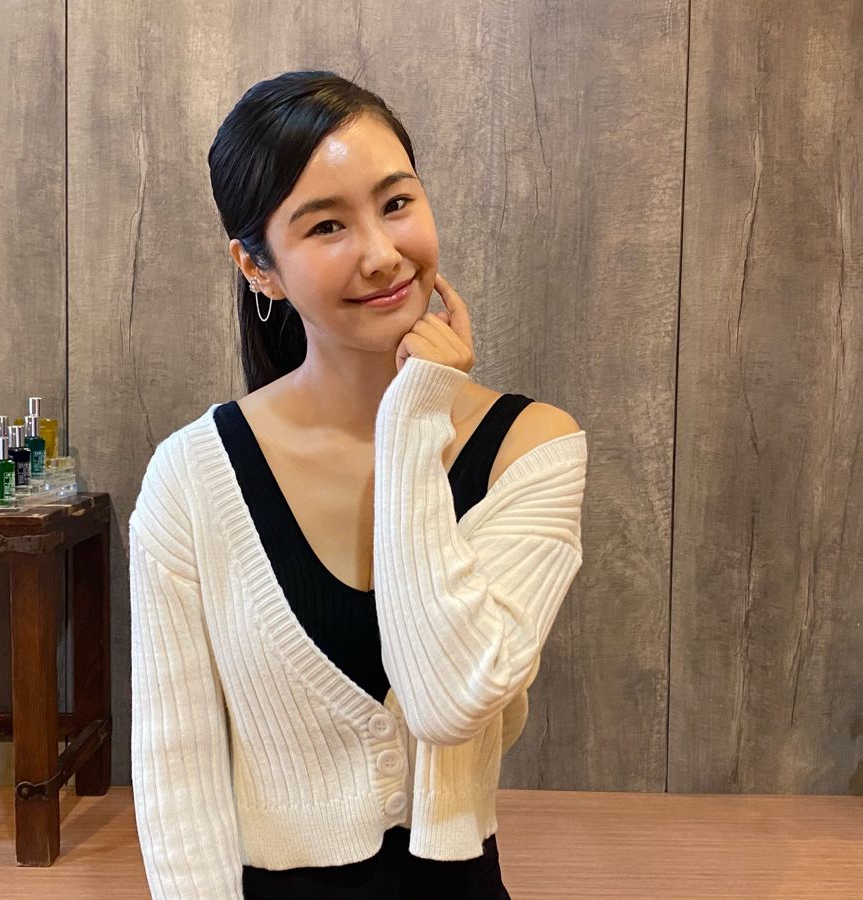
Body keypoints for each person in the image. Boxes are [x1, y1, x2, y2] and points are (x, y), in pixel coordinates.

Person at [129, 70, 589, 899]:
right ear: (258, 267)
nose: (381, 254)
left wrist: (413, 420)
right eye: (327, 225)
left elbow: (449, 698)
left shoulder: (534, 449)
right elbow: (177, 777)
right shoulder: (192, 478)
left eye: (397, 203)